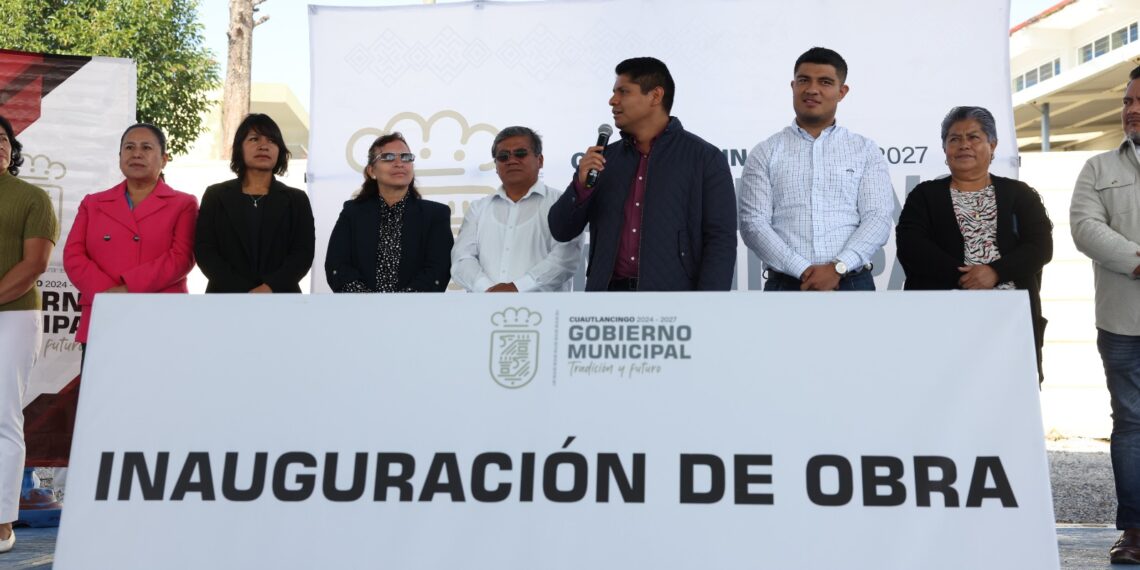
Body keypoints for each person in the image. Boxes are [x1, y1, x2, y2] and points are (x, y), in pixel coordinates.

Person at [547, 57, 737, 291]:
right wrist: (581, 187)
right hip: (606, 301)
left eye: (623, 92)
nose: (612, 101)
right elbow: (561, 230)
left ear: (656, 96)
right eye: (613, 92)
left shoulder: (704, 158)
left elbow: (720, 241)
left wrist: (709, 304)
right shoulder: (604, 160)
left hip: (675, 300)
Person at [896, 106, 1053, 381]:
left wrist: (995, 272)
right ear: (945, 149)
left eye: (974, 137)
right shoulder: (924, 195)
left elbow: (1040, 247)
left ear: (992, 145)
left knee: (1009, 400)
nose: (964, 145)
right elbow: (911, 246)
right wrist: (968, 278)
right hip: (940, 321)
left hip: (1009, 321)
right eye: (954, 138)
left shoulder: (1020, 194)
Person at [738, 47, 894, 291]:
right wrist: (803, 269)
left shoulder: (864, 150)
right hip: (787, 284)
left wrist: (838, 267)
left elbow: (878, 217)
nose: (812, 89)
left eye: (825, 82)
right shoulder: (766, 152)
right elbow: (753, 224)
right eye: (804, 80)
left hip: (852, 282)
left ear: (842, 92)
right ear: (793, 86)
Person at [1070, 64, 1140, 565]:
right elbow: (1085, 229)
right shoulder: (1098, 167)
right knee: (1132, 423)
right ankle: (1135, 532)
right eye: (1127, 102)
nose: (1131, 110)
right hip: (1122, 321)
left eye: (1139, 102)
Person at [63, 124, 197, 350]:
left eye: (146, 147)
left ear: (164, 159)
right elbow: (73, 256)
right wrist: (108, 296)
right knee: (101, 385)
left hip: (162, 317)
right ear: (119, 157)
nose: (136, 154)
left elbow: (182, 258)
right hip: (103, 314)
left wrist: (127, 289)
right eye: (129, 147)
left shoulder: (183, 203)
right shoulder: (93, 203)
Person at [0, 115, 58, 554]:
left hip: (14, 315)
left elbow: (34, 265)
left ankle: (1, 522)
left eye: (4, 139)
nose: (0, 144)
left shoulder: (33, 198)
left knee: (2, 416)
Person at [452, 126, 582, 292]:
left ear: (540, 160)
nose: (511, 160)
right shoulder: (478, 208)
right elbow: (462, 259)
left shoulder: (563, 203)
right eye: (503, 156)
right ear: (496, 165)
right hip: (484, 310)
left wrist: (517, 288)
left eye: (521, 153)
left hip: (546, 312)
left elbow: (565, 260)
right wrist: (488, 290)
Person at [194, 113, 314, 293]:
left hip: (281, 297)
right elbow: (205, 251)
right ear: (239, 148)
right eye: (254, 139)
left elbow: (302, 254)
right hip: (225, 298)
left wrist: (269, 287)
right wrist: (244, 291)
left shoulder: (297, 199)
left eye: (272, 141)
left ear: (280, 150)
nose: (264, 146)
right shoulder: (215, 195)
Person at [325, 132, 452, 292]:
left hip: (416, 311)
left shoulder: (435, 214)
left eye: (406, 157)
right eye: (389, 157)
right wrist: (368, 301)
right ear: (372, 170)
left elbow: (438, 269)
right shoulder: (352, 212)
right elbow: (337, 265)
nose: (399, 163)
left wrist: (400, 303)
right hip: (360, 310)